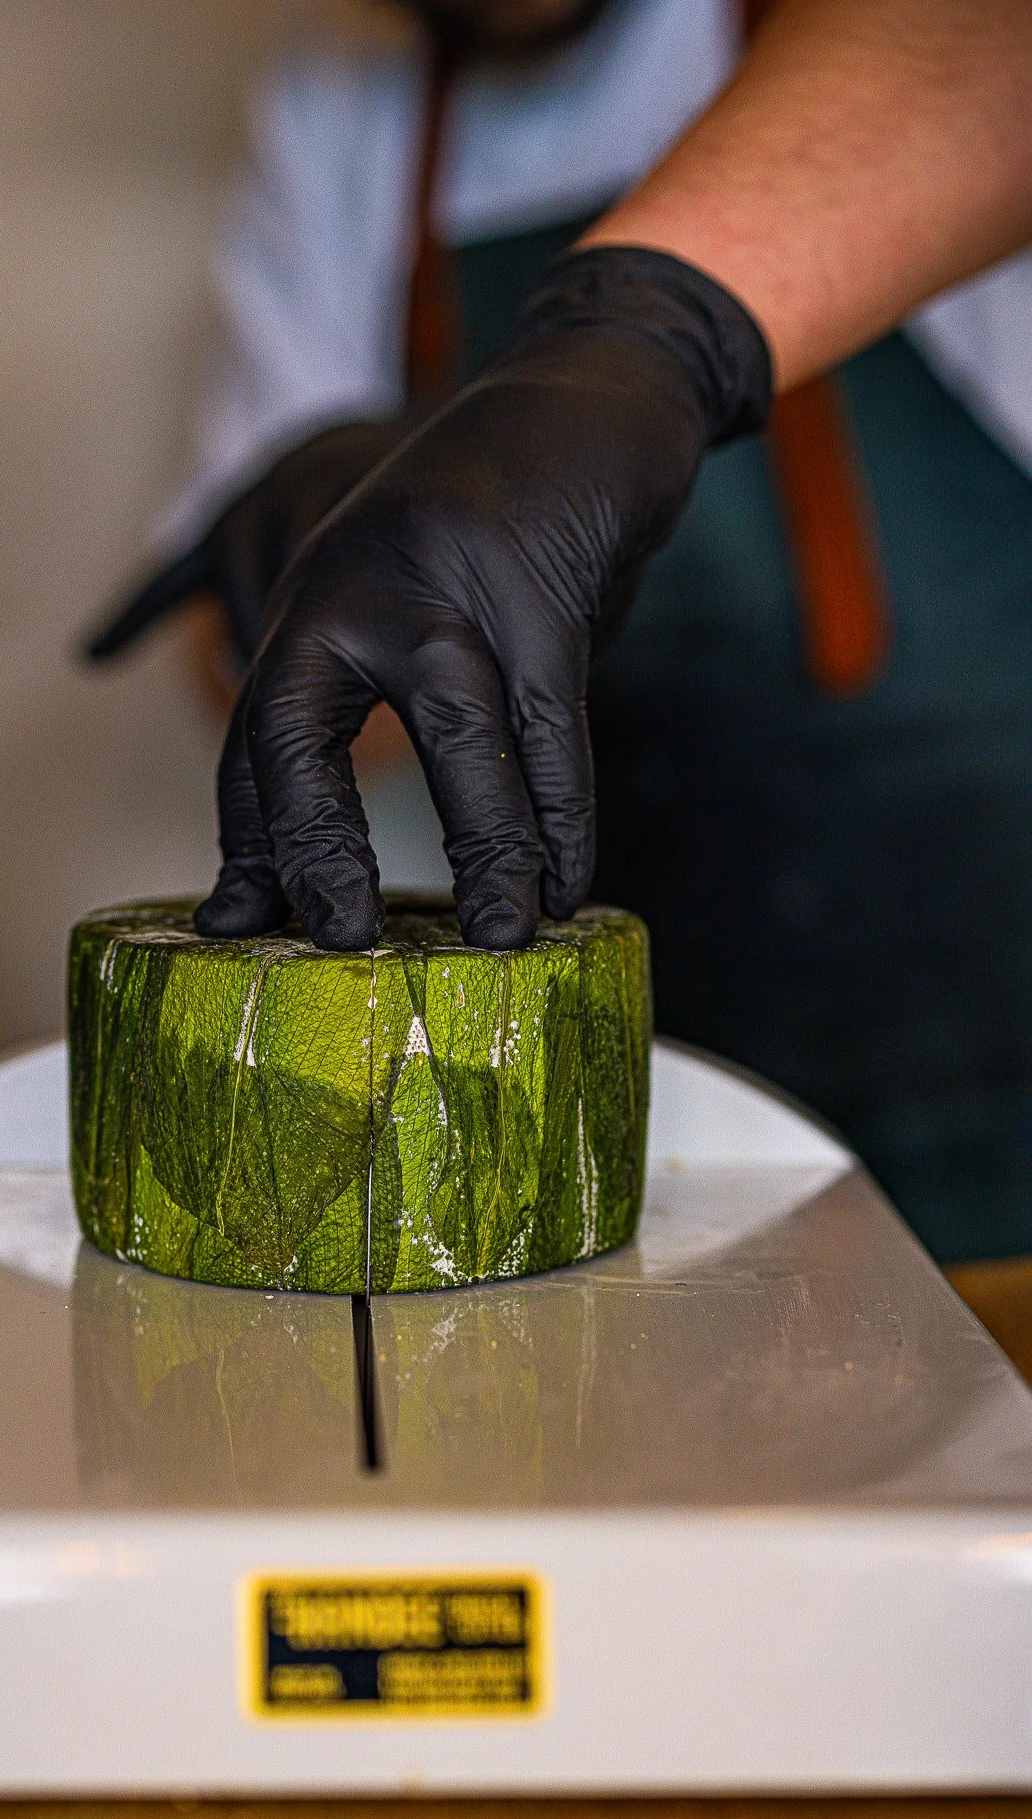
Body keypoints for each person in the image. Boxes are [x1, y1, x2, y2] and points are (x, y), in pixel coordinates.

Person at [84, 0, 1032, 1261]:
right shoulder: (344, 115)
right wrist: (309, 525)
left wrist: (645, 338)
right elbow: (286, 703)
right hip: (675, 1119)